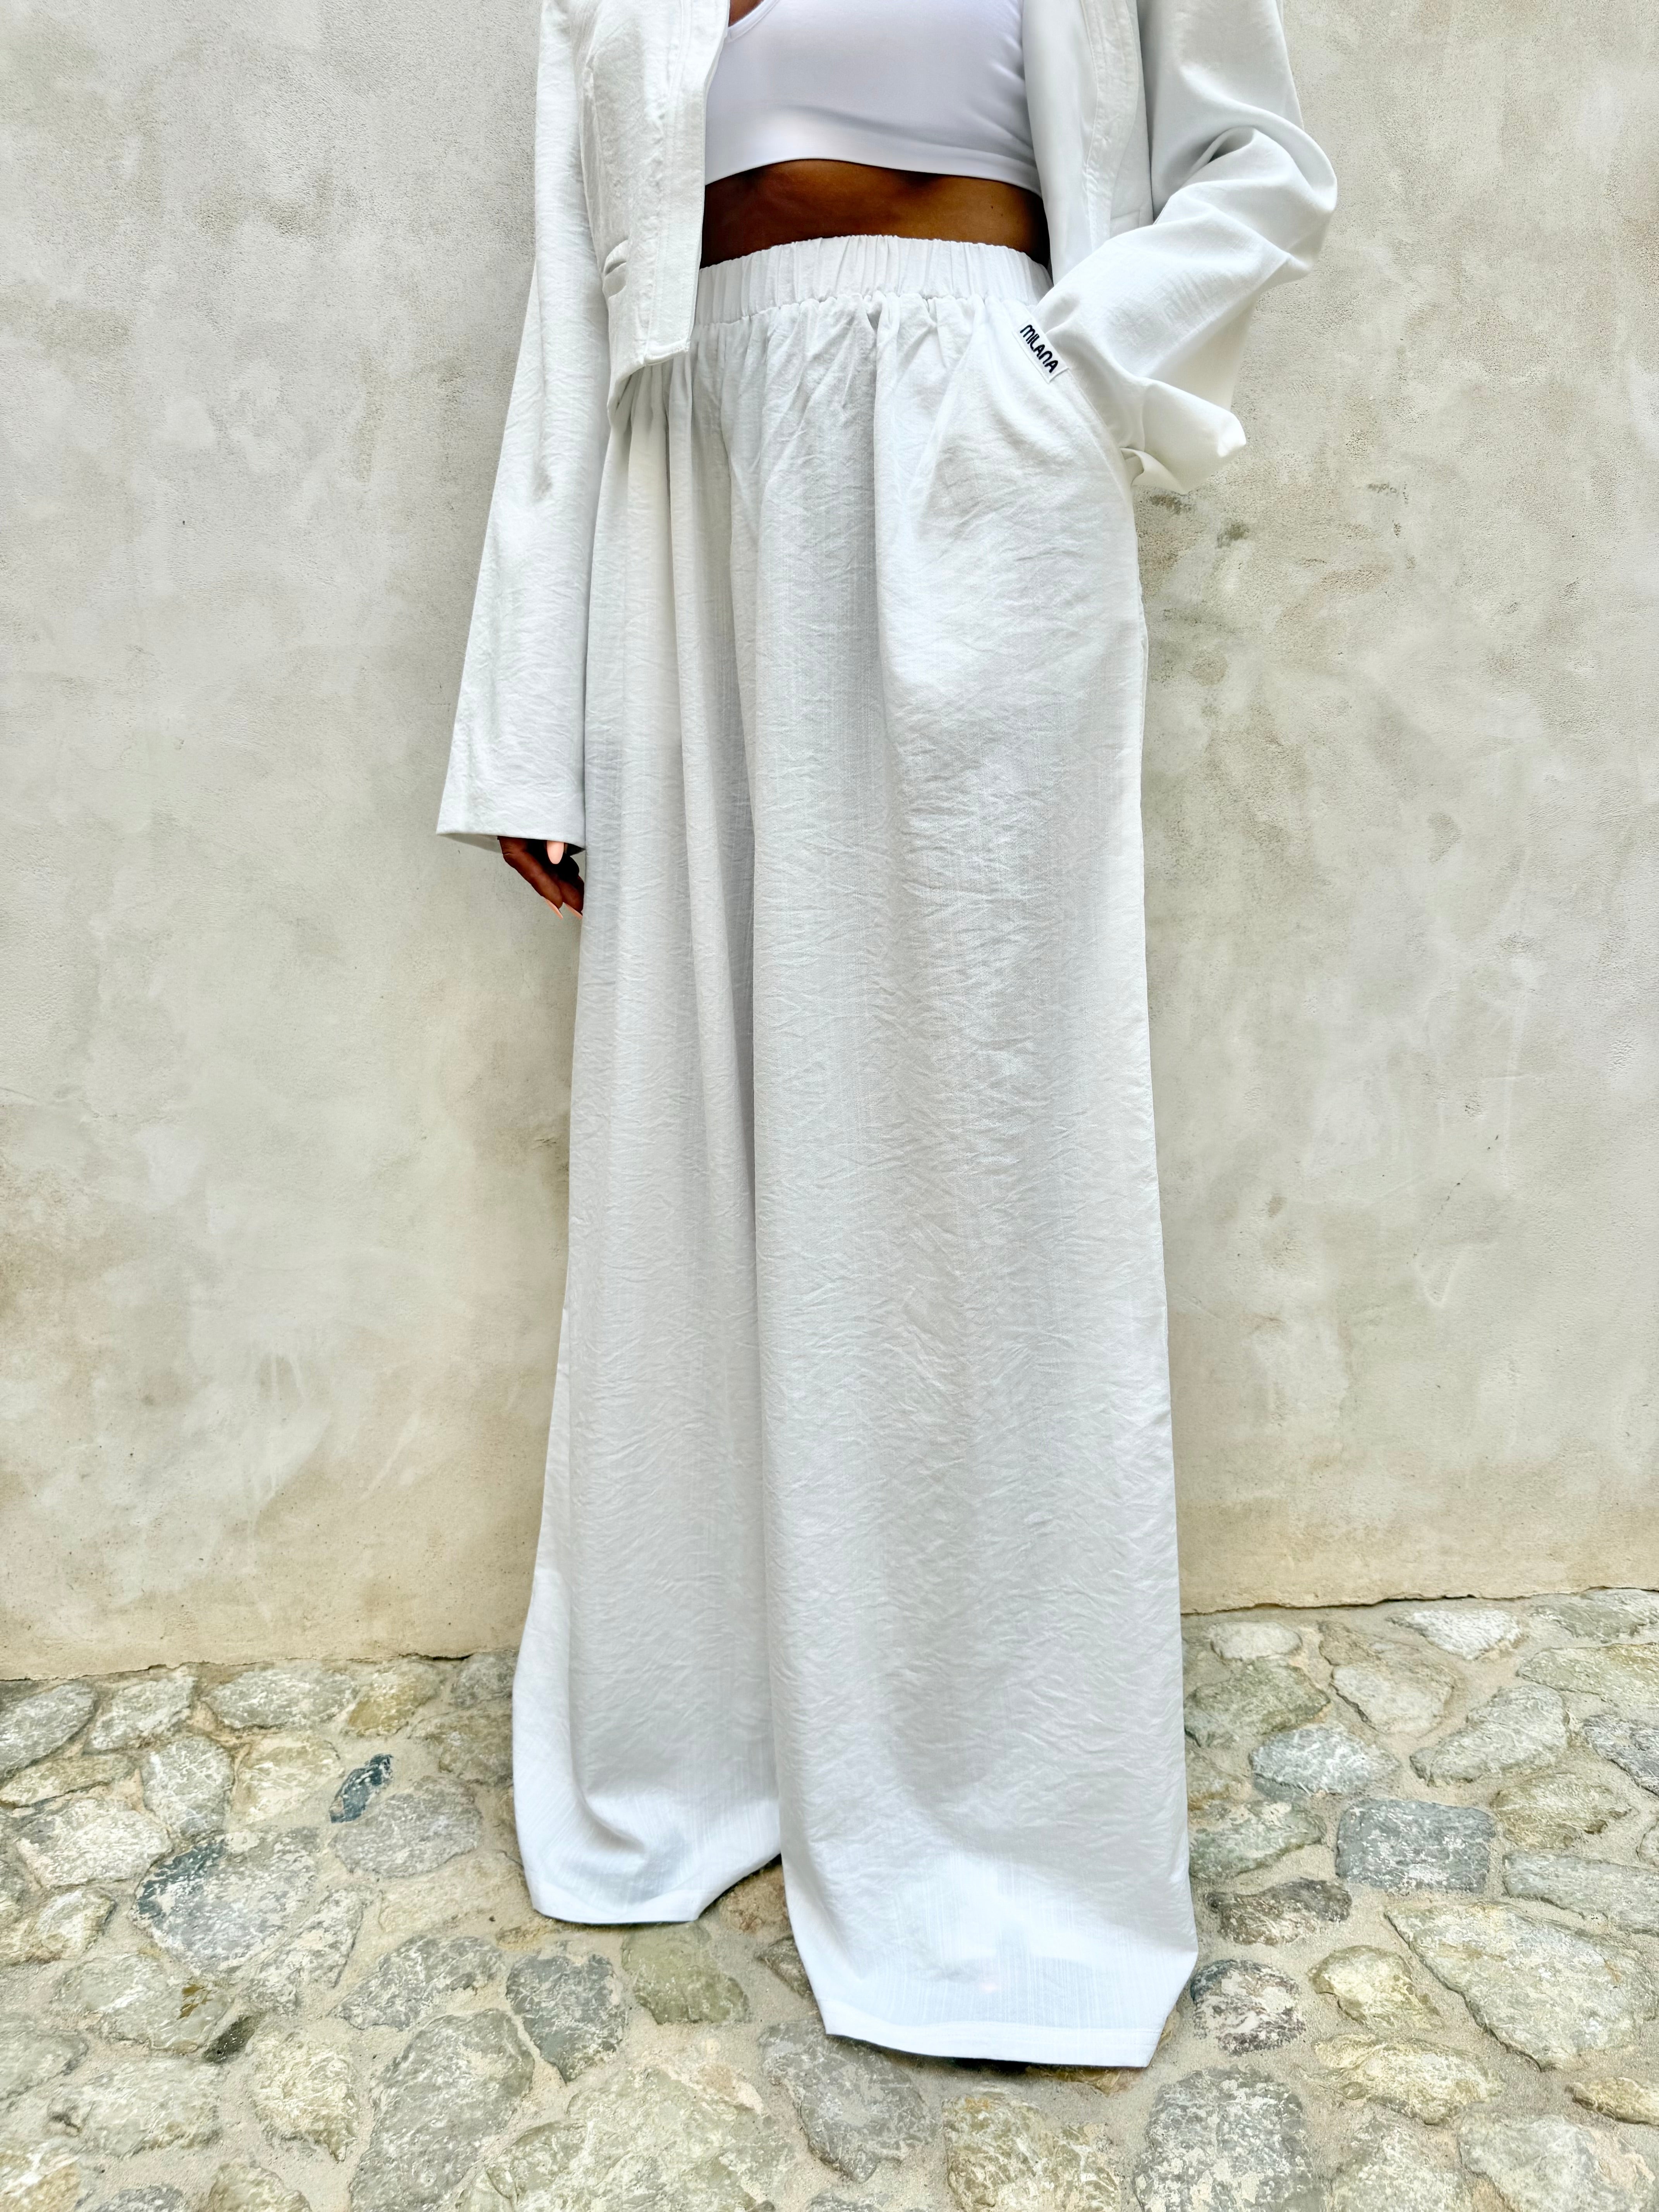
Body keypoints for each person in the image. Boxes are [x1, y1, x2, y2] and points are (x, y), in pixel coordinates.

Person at [437, 0, 1334, 2065]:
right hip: (691, 488)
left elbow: (1264, 166)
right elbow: (576, 310)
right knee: (703, 1128)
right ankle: (730, 1717)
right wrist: (534, 722)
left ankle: (1005, 1793)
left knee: (985, 1147)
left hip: (972, 458)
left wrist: (1065, 363)